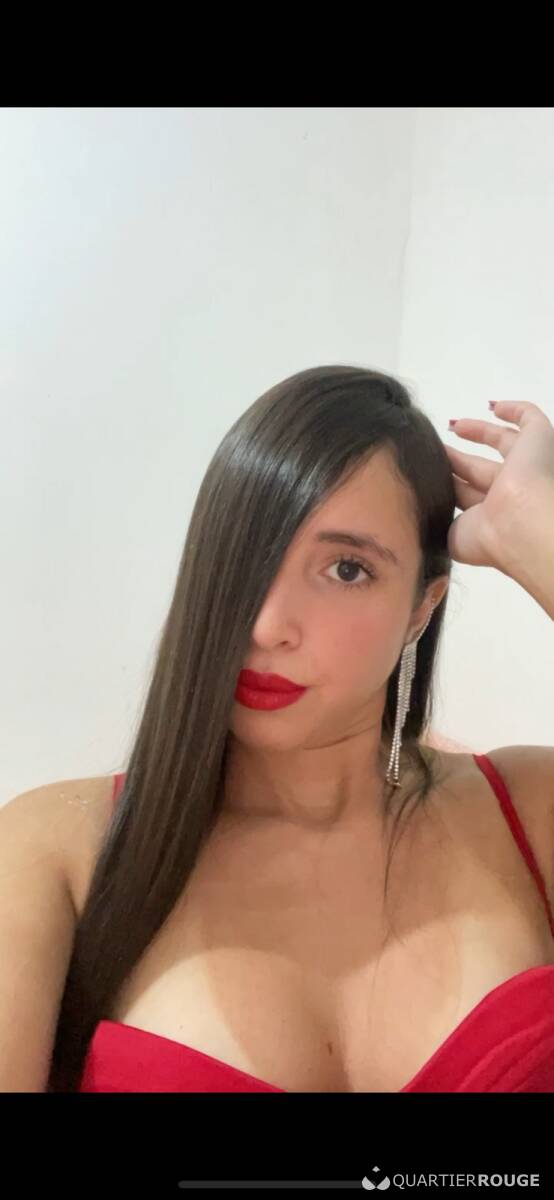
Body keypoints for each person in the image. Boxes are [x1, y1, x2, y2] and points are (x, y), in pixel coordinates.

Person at [1, 366, 553, 1093]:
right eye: (245, 559)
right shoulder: (55, 851)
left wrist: (543, 539)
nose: (266, 626)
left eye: (347, 569)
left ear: (422, 607)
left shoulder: (529, 811)